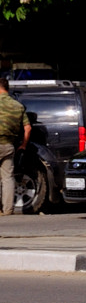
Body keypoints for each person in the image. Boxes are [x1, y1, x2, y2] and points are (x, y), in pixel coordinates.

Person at [0, 77, 32, 216]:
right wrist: (23, 145)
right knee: (8, 178)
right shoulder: (18, 105)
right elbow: (28, 128)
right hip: (8, 145)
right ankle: (8, 210)